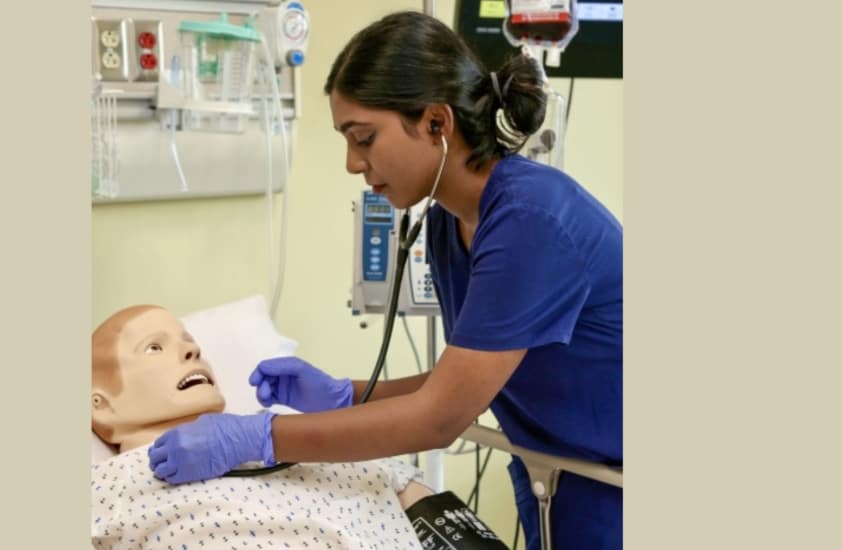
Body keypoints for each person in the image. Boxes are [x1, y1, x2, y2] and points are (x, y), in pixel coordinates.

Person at [148, 11, 623, 550]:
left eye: (364, 138)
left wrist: (259, 437)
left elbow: (440, 417)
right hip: (559, 477)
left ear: (436, 124)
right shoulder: (451, 223)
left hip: (613, 482)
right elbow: (468, 378)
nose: (353, 163)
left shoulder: (531, 221)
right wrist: (344, 396)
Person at [91, 304, 433, 549]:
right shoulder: (110, 485)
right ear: (101, 407)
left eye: (189, 340)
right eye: (154, 347)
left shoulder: (314, 441)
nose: (191, 349)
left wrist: (342, 402)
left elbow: (440, 515)